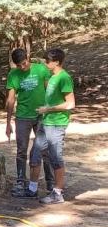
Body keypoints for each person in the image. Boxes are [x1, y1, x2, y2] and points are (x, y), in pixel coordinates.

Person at [24, 48, 75, 204]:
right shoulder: (52, 77)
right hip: (45, 122)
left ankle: (57, 193)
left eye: (48, 61)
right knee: (35, 154)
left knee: (55, 157)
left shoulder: (64, 78)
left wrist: (48, 109)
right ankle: (32, 189)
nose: (46, 63)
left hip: (57, 123)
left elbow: (70, 104)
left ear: (57, 62)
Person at [6, 48, 54, 197]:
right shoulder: (13, 75)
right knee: (21, 150)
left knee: (44, 149)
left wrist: (50, 111)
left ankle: (50, 181)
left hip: (41, 115)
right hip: (22, 116)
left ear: (28, 58)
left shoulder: (41, 69)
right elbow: (11, 99)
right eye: (19, 65)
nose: (22, 67)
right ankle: (21, 180)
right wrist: (8, 122)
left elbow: (50, 91)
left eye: (24, 63)